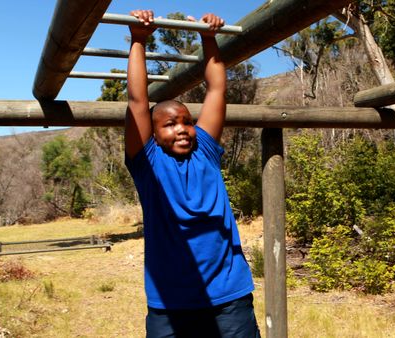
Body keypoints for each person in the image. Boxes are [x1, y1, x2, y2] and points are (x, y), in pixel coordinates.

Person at [124, 9, 261, 338]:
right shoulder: (148, 164)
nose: (183, 129)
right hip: (170, 302)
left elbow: (216, 90)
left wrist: (209, 38)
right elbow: (137, 101)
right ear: (153, 135)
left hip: (228, 294)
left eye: (186, 121)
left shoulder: (206, 152)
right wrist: (139, 40)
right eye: (170, 124)